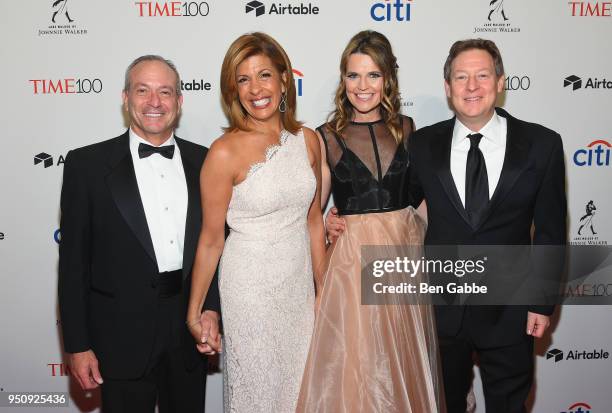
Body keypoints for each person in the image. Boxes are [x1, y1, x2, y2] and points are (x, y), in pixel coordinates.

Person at [408, 39, 566, 412]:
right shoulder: (421, 145)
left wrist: (541, 305)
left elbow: (550, 231)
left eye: (482, 75)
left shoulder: (541, 144)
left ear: (500, 82)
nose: (472, 86)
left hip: (511, 312)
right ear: (448, 88)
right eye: (461, 77)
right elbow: (397, 206)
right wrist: (341, 218)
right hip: (441, 311)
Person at [58, 55, 221, 413]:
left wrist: (211, 308)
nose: (154, 102)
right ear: (125, 98)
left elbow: (216, 246)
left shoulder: (206, 161)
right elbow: (72, 265)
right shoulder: (86, 166)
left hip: (188, 331)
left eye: (165, 92)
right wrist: (78, 345)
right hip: (119, 336)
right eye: (143, 90)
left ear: (179, 102)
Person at [297, 30, 444, 413]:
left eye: (373, 75)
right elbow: (314, 214)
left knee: (401, 369)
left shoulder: (409, 130)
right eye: (353, 75)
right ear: (343, 80)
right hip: (350, 268)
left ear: (387, 80)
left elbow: (424, 203)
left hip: (403, 260)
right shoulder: (326, 137)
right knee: (356, 371)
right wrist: (318, 283)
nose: (363, 86)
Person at [186, 32, 326, 413]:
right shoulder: (224, 152)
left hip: (298, 288)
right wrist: (194, 309)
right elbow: (211, 240)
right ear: (233, 90)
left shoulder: (308, 140)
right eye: (243, 80)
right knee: (259, 394)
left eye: (264, 75)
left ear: (284, 79)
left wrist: (324, 291)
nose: (255, 89)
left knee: (303, 392)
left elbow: (314, 223)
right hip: (250, 291)